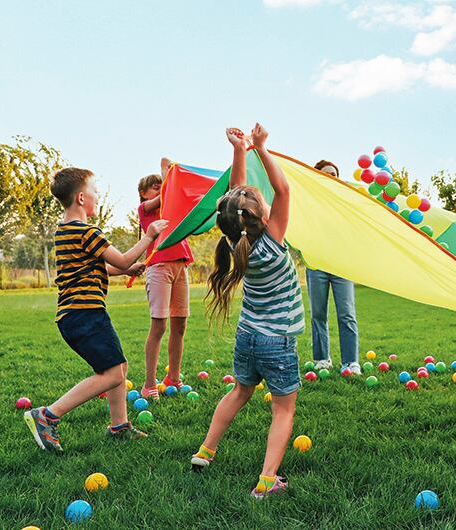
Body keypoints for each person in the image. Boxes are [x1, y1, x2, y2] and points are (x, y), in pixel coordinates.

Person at [190, 124, 303, 499]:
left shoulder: (235, 244)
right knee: (283, 411)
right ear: (261, 217)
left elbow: (234, 200)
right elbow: (284, 189)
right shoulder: (273, 242)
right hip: (277, 342)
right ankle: (267, 481)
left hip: (247, 338)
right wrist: (262, 148)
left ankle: (205, 452)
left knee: (240, 391)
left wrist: (241, 150)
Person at [24, 166, 168, 452]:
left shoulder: (65, 231)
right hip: (85, 313)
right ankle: (47, 415)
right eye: (94, 191)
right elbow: (124, 259)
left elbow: (102, 266)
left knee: (119, 367)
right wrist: (149, 235)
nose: (97, 196)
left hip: (76, 315)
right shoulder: (86, 231)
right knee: (113, 374)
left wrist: (127, 268)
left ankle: (119, 427)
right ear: (80, 198)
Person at [135, 159, 194, 400]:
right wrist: (167, 173)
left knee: (180, 324)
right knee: (159, 325)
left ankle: (173, 378)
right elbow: (166, 196)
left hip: (181, 265)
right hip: (159, 267)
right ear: (143, 193)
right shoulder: (145, 210)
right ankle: (149, 384)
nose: (160, 187)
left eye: (162, 184)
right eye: (154, 185)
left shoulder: (172, 207)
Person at [307, 160, 361, 375]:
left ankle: (351, 362)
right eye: (328, 173)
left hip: (341, 265)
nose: (332, 177)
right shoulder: (309, 202)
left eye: (335, 174)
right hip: (317, 263)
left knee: (346, 313)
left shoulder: (343, 201)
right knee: (318, 313)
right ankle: (322, 358)